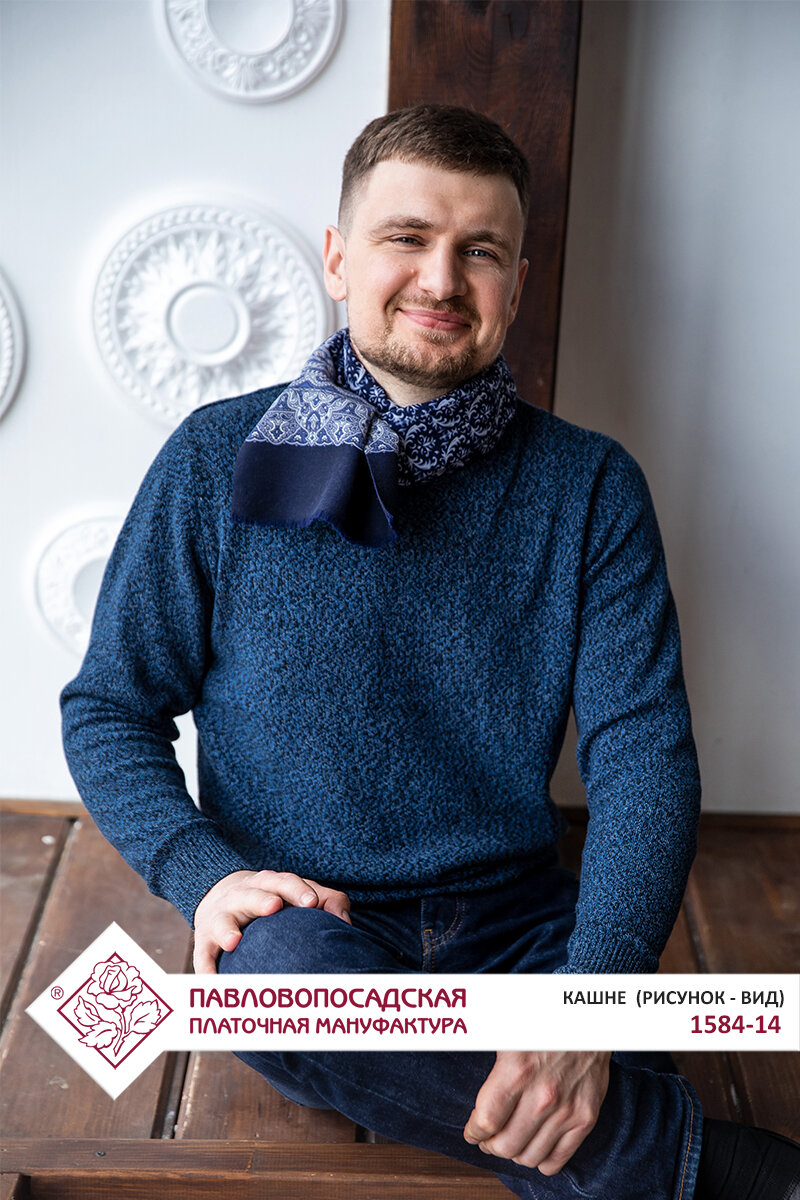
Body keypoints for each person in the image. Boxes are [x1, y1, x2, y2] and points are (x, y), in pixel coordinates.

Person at [61, 105, 799, 1200]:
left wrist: (585, 1007)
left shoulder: (590, 486)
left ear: (517, 281)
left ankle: (606, 1127)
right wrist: (202, 876)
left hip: (520, 925)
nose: (441, 280)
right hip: (306, 931)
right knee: (286, 984)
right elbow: (110, 706)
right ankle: (699, 1164)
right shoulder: (216, 457)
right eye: (406, 237)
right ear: (338, 258)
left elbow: (644, 762)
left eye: (480, 251)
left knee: (604, 1053)